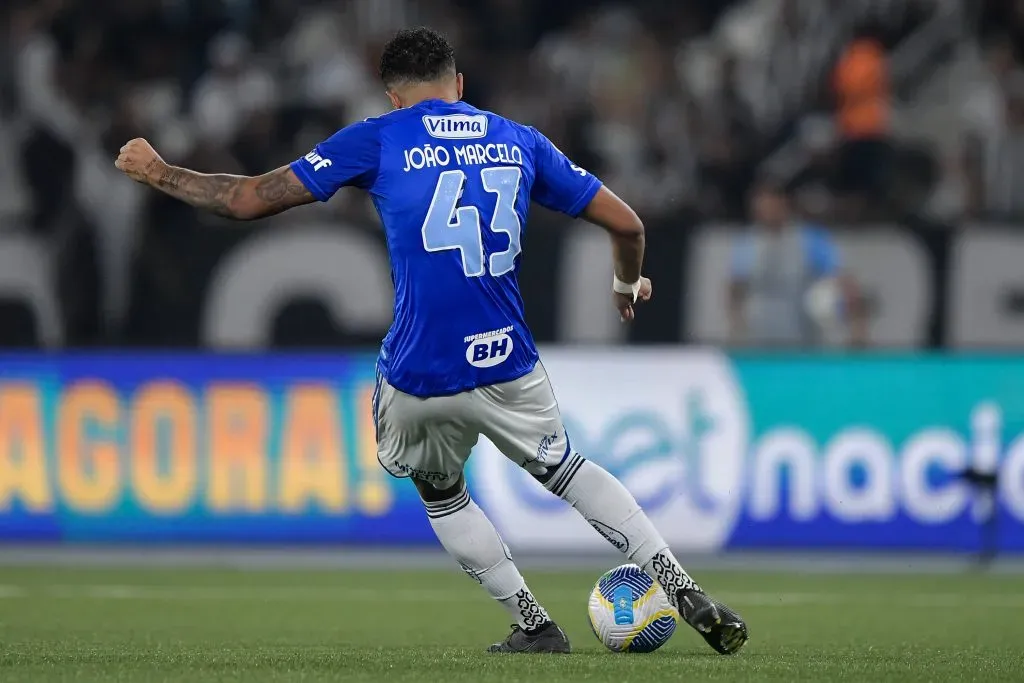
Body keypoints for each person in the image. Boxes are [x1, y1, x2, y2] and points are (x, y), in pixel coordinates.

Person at [114, 26, 748, 656]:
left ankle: (534, 624)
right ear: (459, 85)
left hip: (421, 372)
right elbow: (628, 223)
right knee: (568, 471)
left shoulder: (381, 138)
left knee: (441, 493)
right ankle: (682, 588)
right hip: (508, 362)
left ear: (393, 97)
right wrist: (625, 283)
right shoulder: (518, 139)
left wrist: (160, 172)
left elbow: (247, 199)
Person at [728, 179, 866, 348]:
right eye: (761, 206)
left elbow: (844, 281)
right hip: (759, 334)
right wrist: (735, 328)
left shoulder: (811, 239)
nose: (766, 211)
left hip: (802, 333)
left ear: (784, 204)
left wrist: (857, 329)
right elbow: (736, 288)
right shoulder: (747, 243)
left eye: (771, 205)